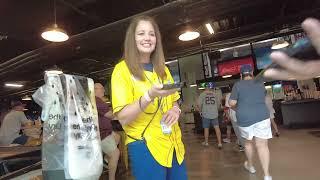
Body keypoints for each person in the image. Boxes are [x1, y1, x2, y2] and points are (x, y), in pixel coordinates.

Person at [111, 16, 187, 180]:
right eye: (141, 33)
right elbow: (123, 118)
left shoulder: (163, 69)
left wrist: (176, 109)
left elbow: (174, 98)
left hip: (173, 143)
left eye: (151, 34)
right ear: (132, 39)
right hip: (144, 145)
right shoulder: (121, 70)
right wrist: (149, 96)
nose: (147, 38)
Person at [229, 64, 272, 180]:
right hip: (262, 115)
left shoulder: (237, 85)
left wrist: (240, 107)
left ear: (241, 75)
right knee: (262, 145)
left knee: (248, 142)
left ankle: (251, 166)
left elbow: (231, 103)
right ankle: (267, 175)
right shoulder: (260, 83)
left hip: (244, 117)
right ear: (252, 72)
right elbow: (262, 97)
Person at [94, 83, 120, 180]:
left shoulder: (96, 101)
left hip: (104, 131)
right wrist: (120, 114)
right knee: (115, 153)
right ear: (95, 90)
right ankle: (111, 178)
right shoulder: (97, 100)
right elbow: (110, 115)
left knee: (117, 137)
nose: (104, 91)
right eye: (101, 89)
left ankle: (106, 159)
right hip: (102, 133)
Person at [198, 82, 222, 149]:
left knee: (206, 128)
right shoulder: (215, 94)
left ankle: (206, 142)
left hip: (206, 114)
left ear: (205, 87)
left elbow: (199, 105)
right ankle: (219, 143)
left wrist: (200, 111)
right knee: (217, 128)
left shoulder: (202, 94)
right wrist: (215, 109)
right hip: (214, 114)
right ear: (210, 87)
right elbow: (219, 104)